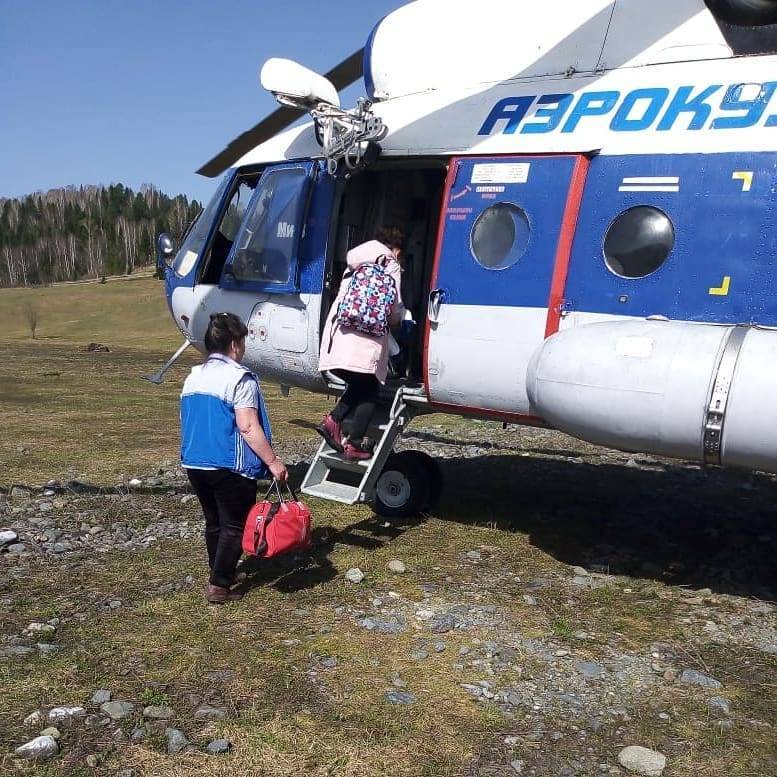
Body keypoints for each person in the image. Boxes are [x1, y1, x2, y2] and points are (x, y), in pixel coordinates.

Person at [180, 312, 287, 604]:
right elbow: (248, 426)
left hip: (195, 461)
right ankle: (220, 584)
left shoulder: (193, 376)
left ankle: (219, 569)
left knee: (213, 522)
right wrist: (273, 462)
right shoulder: (241, 379)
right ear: (236, 344)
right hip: (229, 463)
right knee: (235, 525)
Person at [317, 226, 408, 460]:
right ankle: (353, 442)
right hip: (367, 342)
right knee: (370, 391)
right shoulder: (391, 265)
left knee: (360, 385)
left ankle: (334, 422)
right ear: (396, 249)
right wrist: (401, 319)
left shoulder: (355, 262)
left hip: (337, 338)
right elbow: (394, 311)